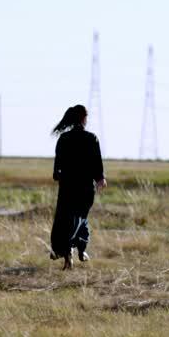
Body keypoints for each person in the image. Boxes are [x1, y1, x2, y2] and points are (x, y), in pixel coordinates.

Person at [49, 104, 106, 270]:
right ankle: (81, 249)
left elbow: (56, 168)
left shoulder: (63, 139)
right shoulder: (91, 138)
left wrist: (61, 176)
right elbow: (97, 162)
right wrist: (100, 178)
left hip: (67, 187)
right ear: (83, 119)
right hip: (86, 188)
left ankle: (67, 254)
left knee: (64, 220)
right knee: (81, 218)